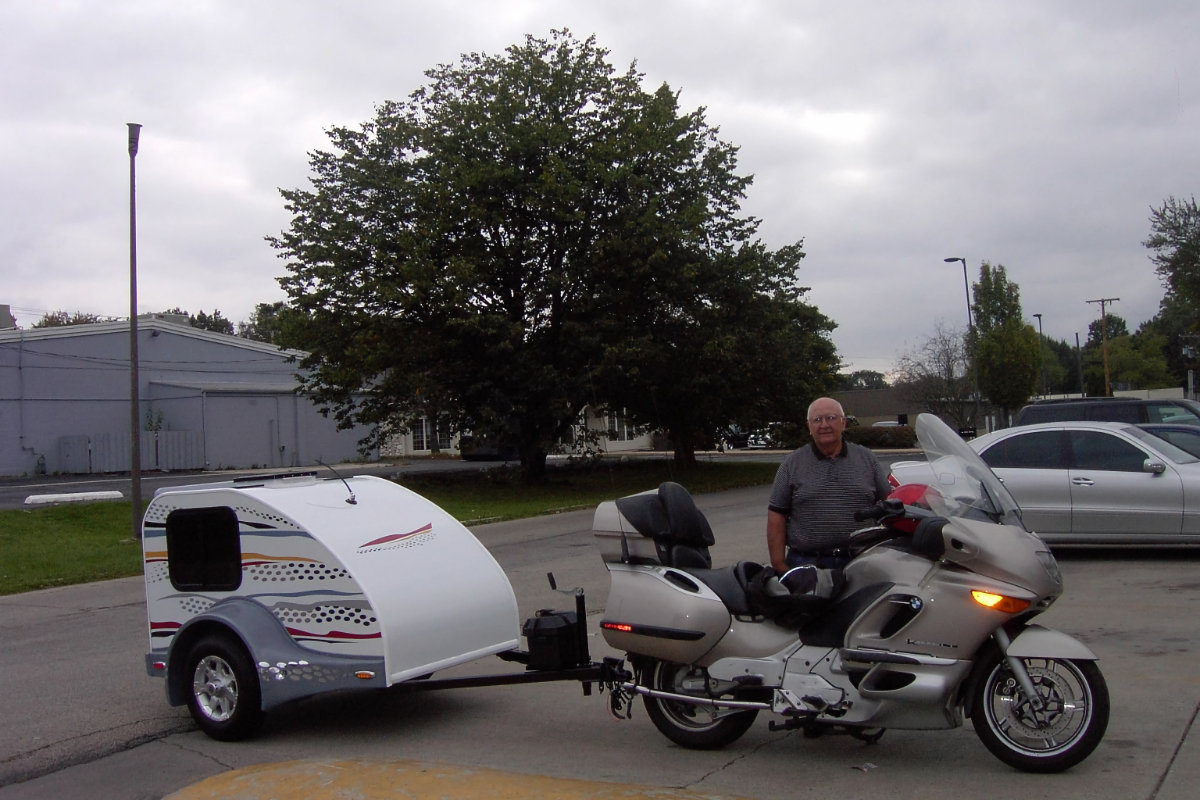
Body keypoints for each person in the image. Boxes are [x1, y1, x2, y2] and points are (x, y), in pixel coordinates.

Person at [767, 398, 891, 572]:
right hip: (807, 564)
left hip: (861, 561)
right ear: (809, 427)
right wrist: (779, 564)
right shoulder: (791, 463)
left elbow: (890, 503)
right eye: (817, 420)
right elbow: (776, 515)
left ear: (844, 423)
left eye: (831, 418)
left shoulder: (867, 459)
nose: (824, 425)